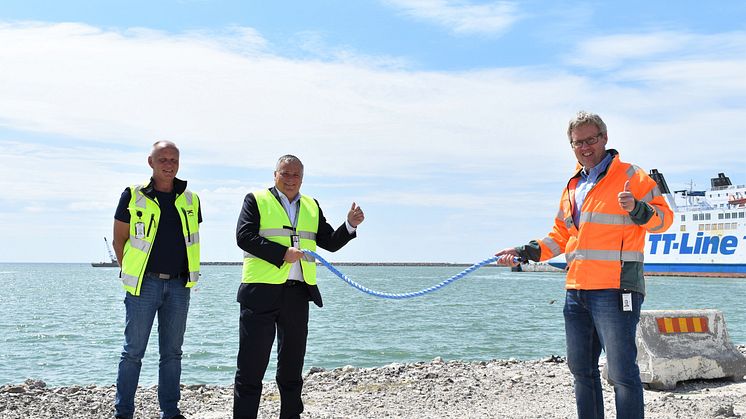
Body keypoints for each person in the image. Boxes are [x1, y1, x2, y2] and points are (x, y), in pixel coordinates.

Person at [495, 111, 673, 419]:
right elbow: (560, 236)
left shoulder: (633, 176)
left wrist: (638, 208)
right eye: (578, 142)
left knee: (621, 374)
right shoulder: (573, 185)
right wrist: (524, 252)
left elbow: (664, 220)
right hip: (577, 290)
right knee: (580, 370)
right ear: (572, 146)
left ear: (604, 138)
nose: (585, 147)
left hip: (616, 288)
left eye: (591, 139)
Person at [234, 154, 364, 419]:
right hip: (260, 293)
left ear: (302, 178)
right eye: (286, 173)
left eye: (296, 175)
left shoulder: (311, 205)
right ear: (275, 175)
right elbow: (243, 237)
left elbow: (329, 242)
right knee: (251, 368)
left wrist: (350, 224)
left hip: (297, 293)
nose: (291, 179)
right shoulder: (256, 200)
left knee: (292, 369)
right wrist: (282, 253)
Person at [112, 140, 202, 419]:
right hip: (144, 285)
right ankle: (123, 412)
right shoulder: (133, 195)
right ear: (150, 162)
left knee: (172, 353)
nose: (168, 164)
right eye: (162, 159)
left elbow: (190, 241)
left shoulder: (191, 199)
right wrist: (132, 272)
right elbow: (120, 240)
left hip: (178, 286)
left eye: (173, 160)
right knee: (132, 352)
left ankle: (171, 412)